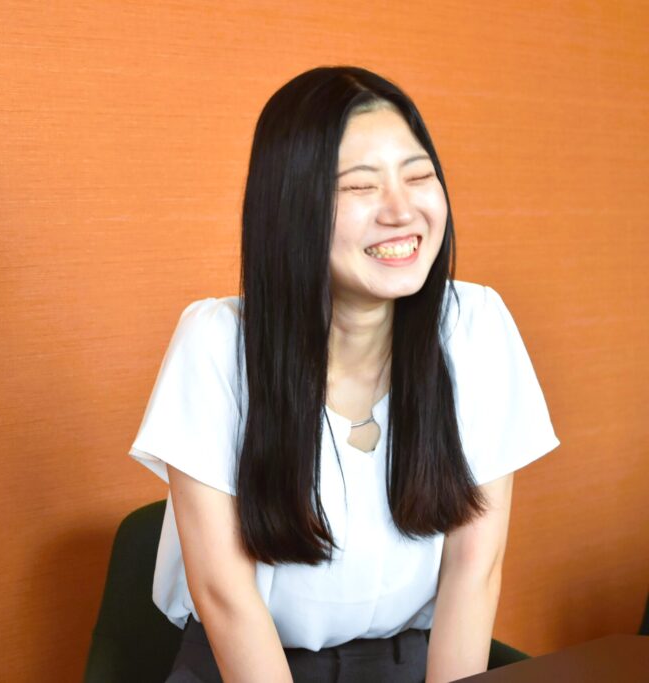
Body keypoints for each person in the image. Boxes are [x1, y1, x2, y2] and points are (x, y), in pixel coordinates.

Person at [128, 66, 560, 683]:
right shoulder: (217, 343)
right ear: (291, 208)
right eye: (360, 186)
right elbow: (224, 596)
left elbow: (475, 568)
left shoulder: (475, 327)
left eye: (418, 176)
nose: (402, 210)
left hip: (413, 666)